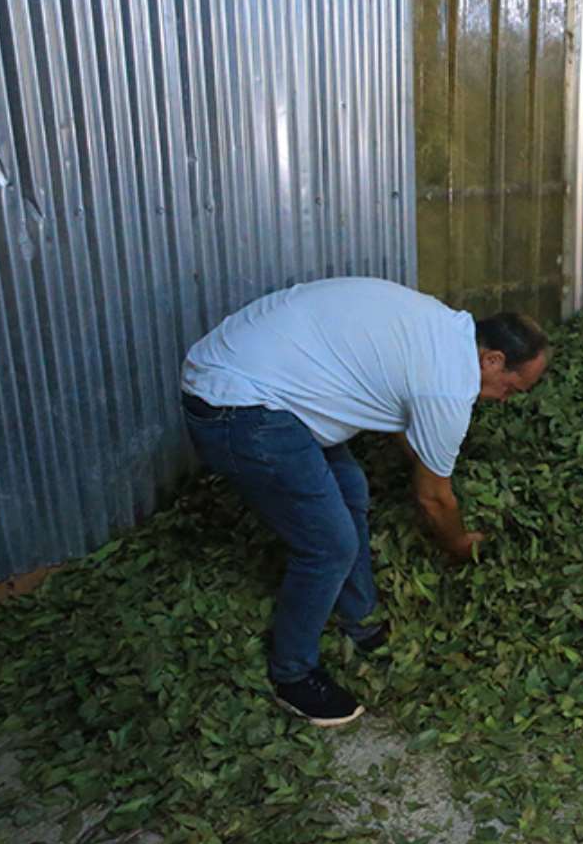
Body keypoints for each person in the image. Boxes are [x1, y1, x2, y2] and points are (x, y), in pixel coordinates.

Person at [181, 278, 549, 726]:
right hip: (237, 403)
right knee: (328, 544)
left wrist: (432, 463)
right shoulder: (450, 385)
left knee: (351, 489)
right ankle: (293, 676)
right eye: (511, 387)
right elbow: (433, 499)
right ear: (492, 359)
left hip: (260, 376)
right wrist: (459, 545)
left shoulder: (443, 329)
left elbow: (398, 415)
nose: (507, 401)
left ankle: (360, 618)